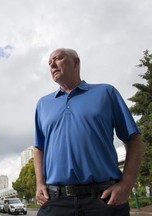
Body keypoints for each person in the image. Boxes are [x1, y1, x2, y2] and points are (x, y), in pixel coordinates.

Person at [34, 48, 143, 216]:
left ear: (76, 62)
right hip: (56, 202)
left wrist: (126, 185)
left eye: (58, 58)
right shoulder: (43, 104)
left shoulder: (106, 93)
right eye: (49, 63)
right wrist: (40, 183)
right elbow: (39, 147)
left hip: (104, 201)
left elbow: (134, 139)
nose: (52, 65)